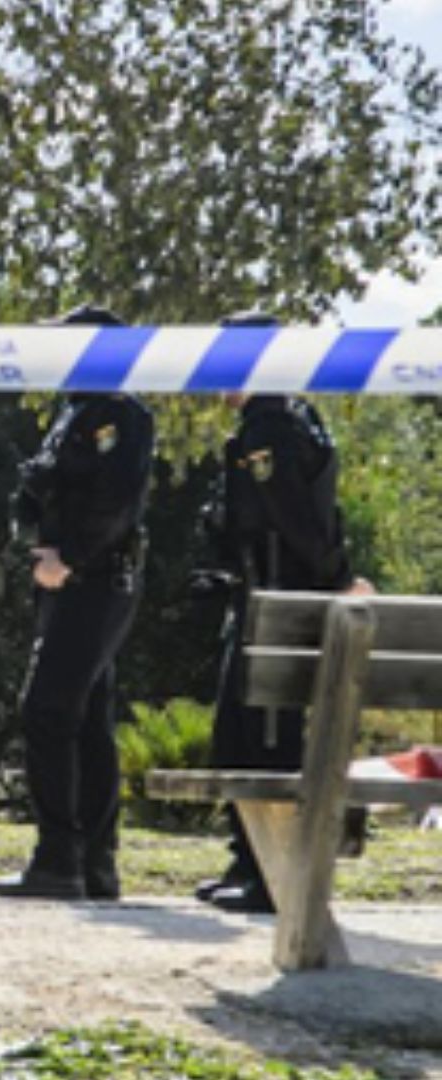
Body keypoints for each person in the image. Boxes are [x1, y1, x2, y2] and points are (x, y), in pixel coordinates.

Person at [192, 311, 372, 914]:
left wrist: (339, 578)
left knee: (264, 737)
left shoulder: (271, 425)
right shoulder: (286, 419)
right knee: (239, 732)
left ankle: (271, 873)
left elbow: (298, 522)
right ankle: (250, 859)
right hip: (260, 598)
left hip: (276, 602)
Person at [0, 304, 154, 902]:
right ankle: (94, 863)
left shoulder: (119, 414)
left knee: (48, 710)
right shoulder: (76, 411)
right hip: (72, 580)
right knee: (86, 720)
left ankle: (60, 860)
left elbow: (116, 503)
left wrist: (71, 558)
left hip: (93, 579)